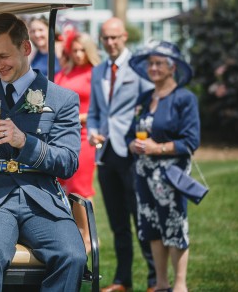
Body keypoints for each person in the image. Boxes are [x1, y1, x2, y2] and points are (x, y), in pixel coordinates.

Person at [0, 13, 85, 291]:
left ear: (26, 48)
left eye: (3, 56)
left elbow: (68, 162)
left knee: (73, 255)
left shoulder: (61, 98)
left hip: (40, 198)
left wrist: (24, 142)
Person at [87, 17, 156, 292]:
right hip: (106, 154)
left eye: (115, 37)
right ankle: (122, 280)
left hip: (133, 153)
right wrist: (92, 131)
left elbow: (151, 109)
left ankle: (156, 280)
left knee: (142, 218)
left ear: (125, 37)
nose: (110, 43)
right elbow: (94, 112)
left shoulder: (141, 69)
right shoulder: (98, 71)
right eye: (105, 38)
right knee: (117, 223)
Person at [126, 41, 200, 292]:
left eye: (159, 64)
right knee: (151, 228)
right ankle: (160, 283)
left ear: (172, 68)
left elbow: (191, 141)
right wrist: (132, 145)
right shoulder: (144, 98)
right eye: (150, 64)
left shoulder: (184, 98)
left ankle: (180, 284)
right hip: (143, 175)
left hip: (171, 175)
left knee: (174, 226)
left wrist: (159, 148)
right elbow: (129, 134)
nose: (153, 68)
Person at [54, 30, 101, 254]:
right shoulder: (65, 71)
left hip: (84, 135)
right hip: (63, 134)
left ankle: (88, 236)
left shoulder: (94, 73)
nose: (79, 54)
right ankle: (77, 233)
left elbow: (99, 108)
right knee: (65, 184)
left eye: (83, 50)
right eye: (75, 50)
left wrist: (76, 117)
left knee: (79, 187)